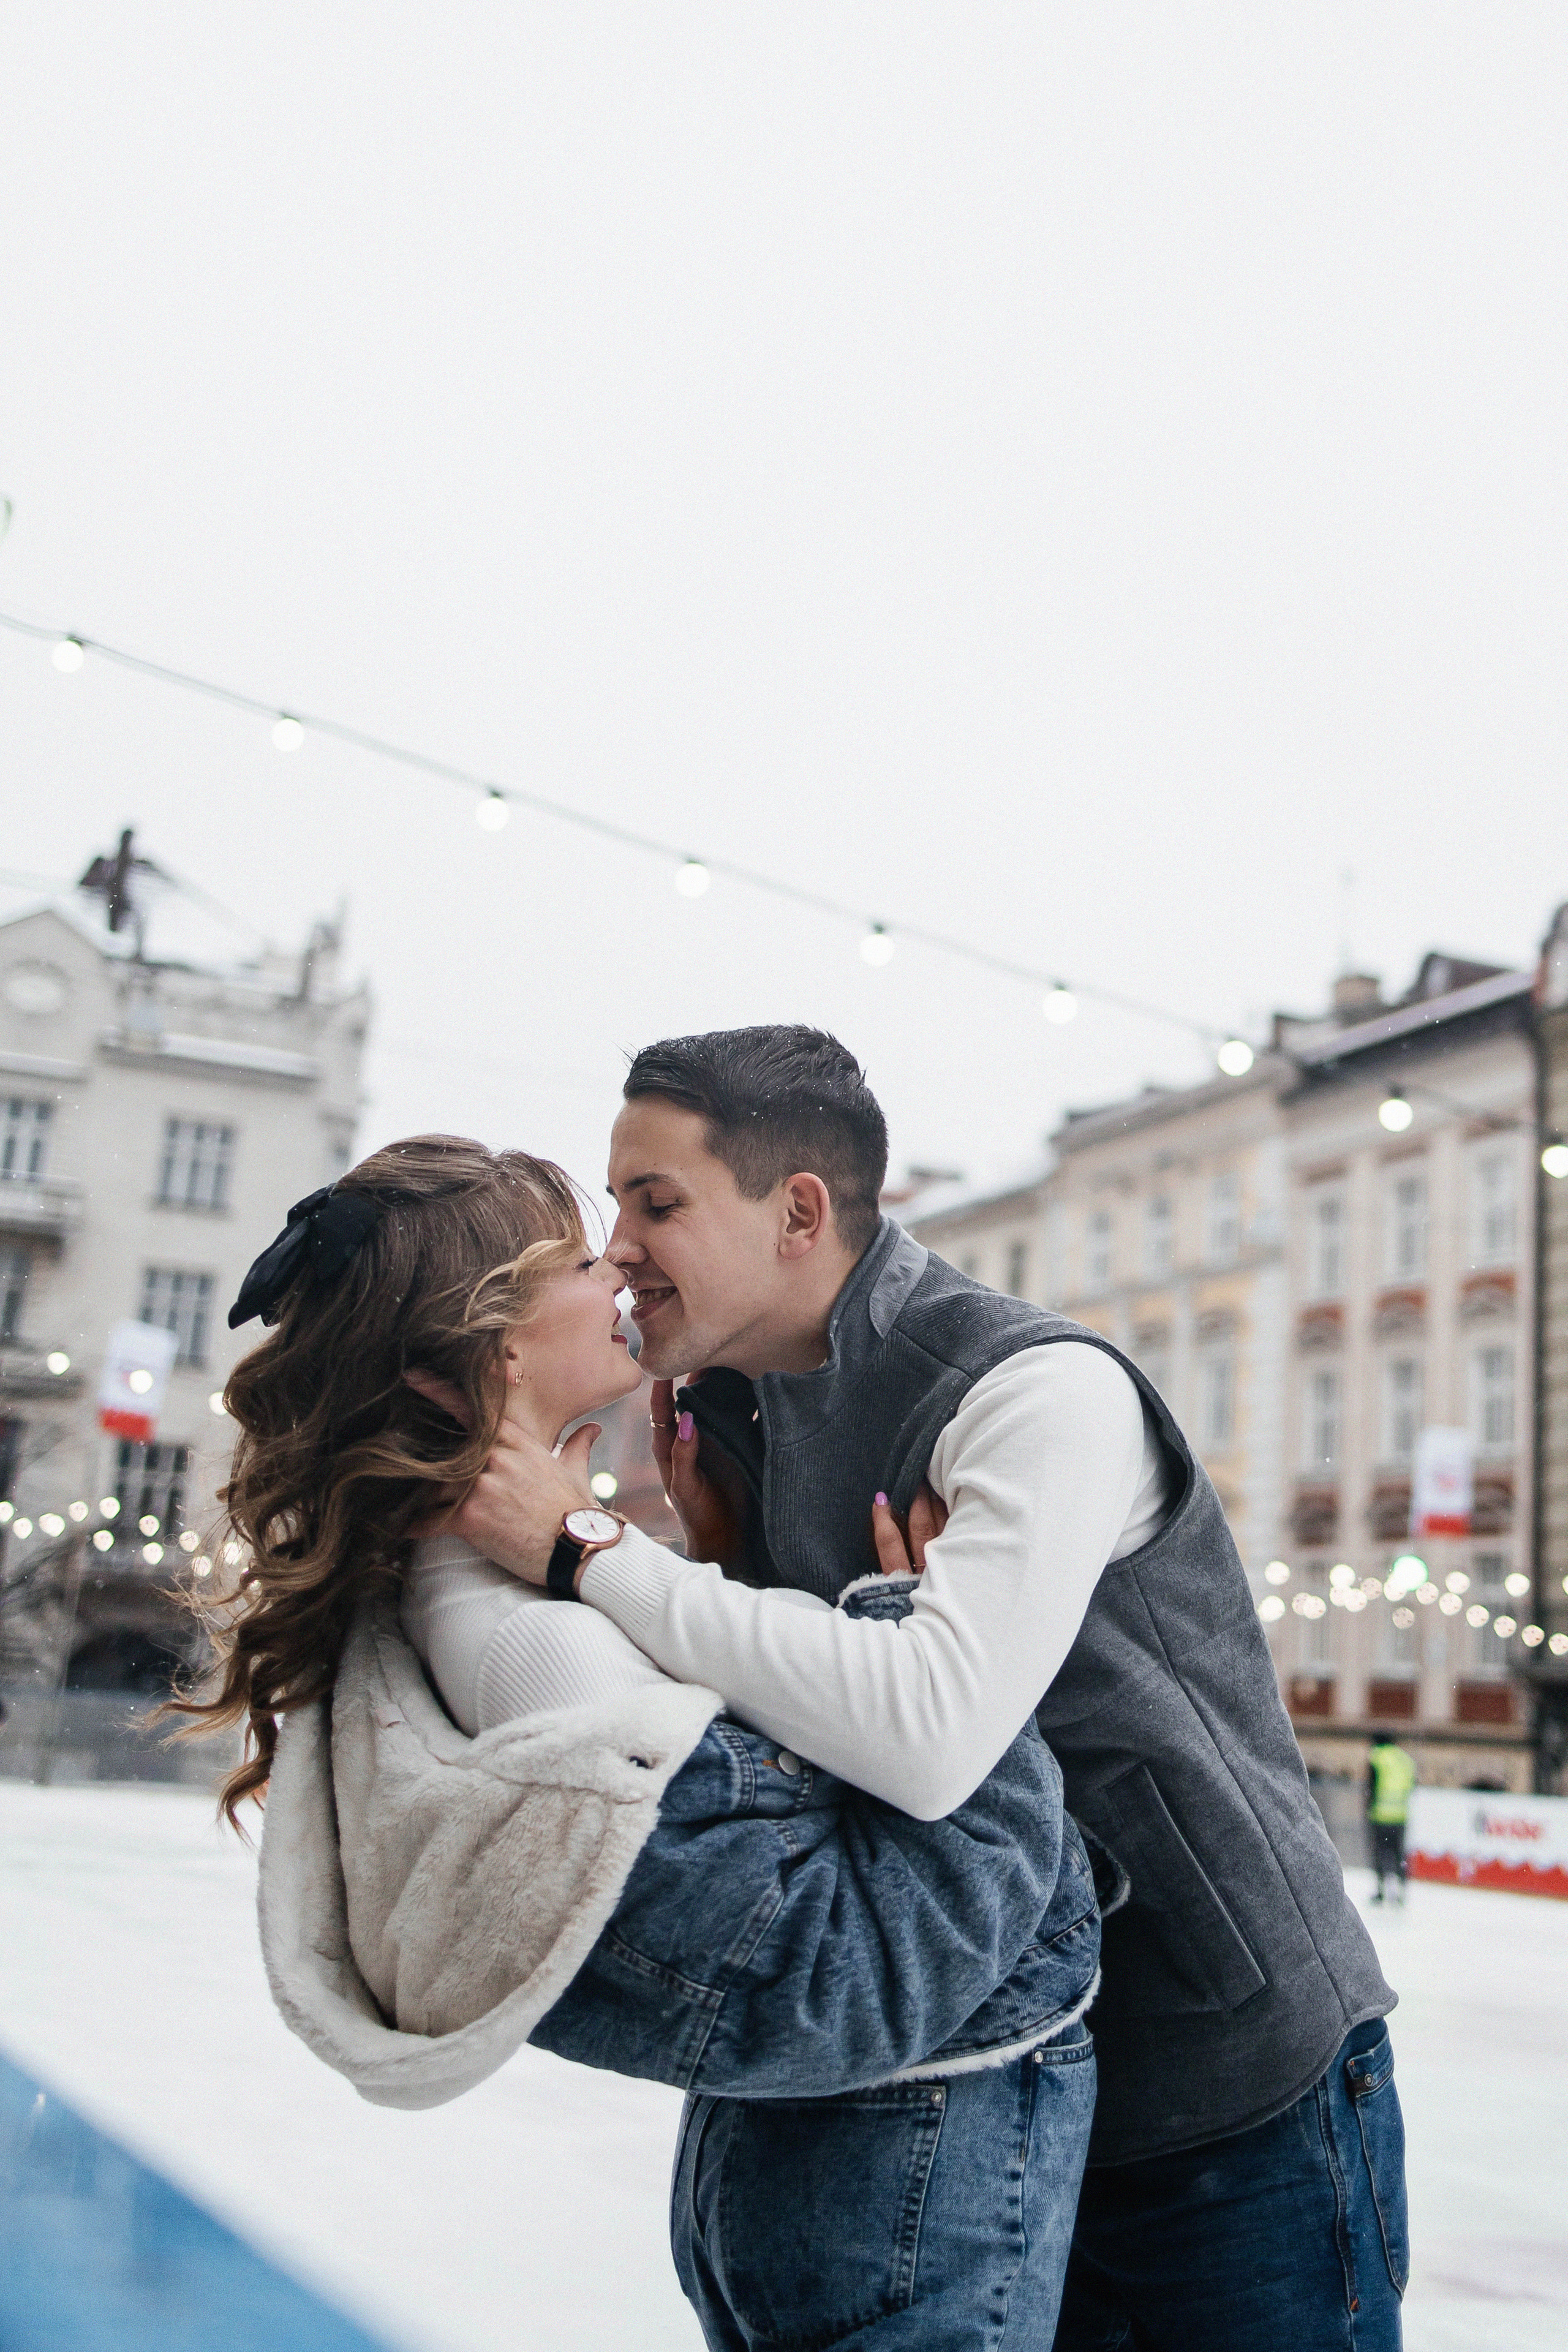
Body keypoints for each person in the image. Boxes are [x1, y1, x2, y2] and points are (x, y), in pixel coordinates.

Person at [452, 1025, 1411, 2352]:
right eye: (616, 1202)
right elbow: (810, 1731)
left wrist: (591, 1551)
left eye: (654, 1202)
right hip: (994, 2089)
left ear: (796, 1212)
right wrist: (723, 1565)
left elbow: (926, 1731)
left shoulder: (1037, 1388)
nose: (615, 1245)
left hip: (1228, 2092)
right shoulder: (733, 1417)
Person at [180, 1136, 1104, 2346]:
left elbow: (745, 1837)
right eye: (571, 1256)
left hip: (835, 2177)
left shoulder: (489, 1593)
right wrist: (932, 1644)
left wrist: (707, 1576)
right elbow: (853, 1961)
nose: (618, 1260)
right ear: (487, 1349)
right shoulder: (531, 1646)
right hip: (900, 2182)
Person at [1366, 1730, 1417, 1904]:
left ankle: (1381, 1891)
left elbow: (1371, 1785)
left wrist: (1368, 1807)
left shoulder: (1377, 1757)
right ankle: (1401, 1892)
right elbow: (1412, 1785)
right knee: (1398, 1853)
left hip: (1380, 1814)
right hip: (1401, 1815)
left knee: (1380, 1853)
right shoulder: (1404, 1759)